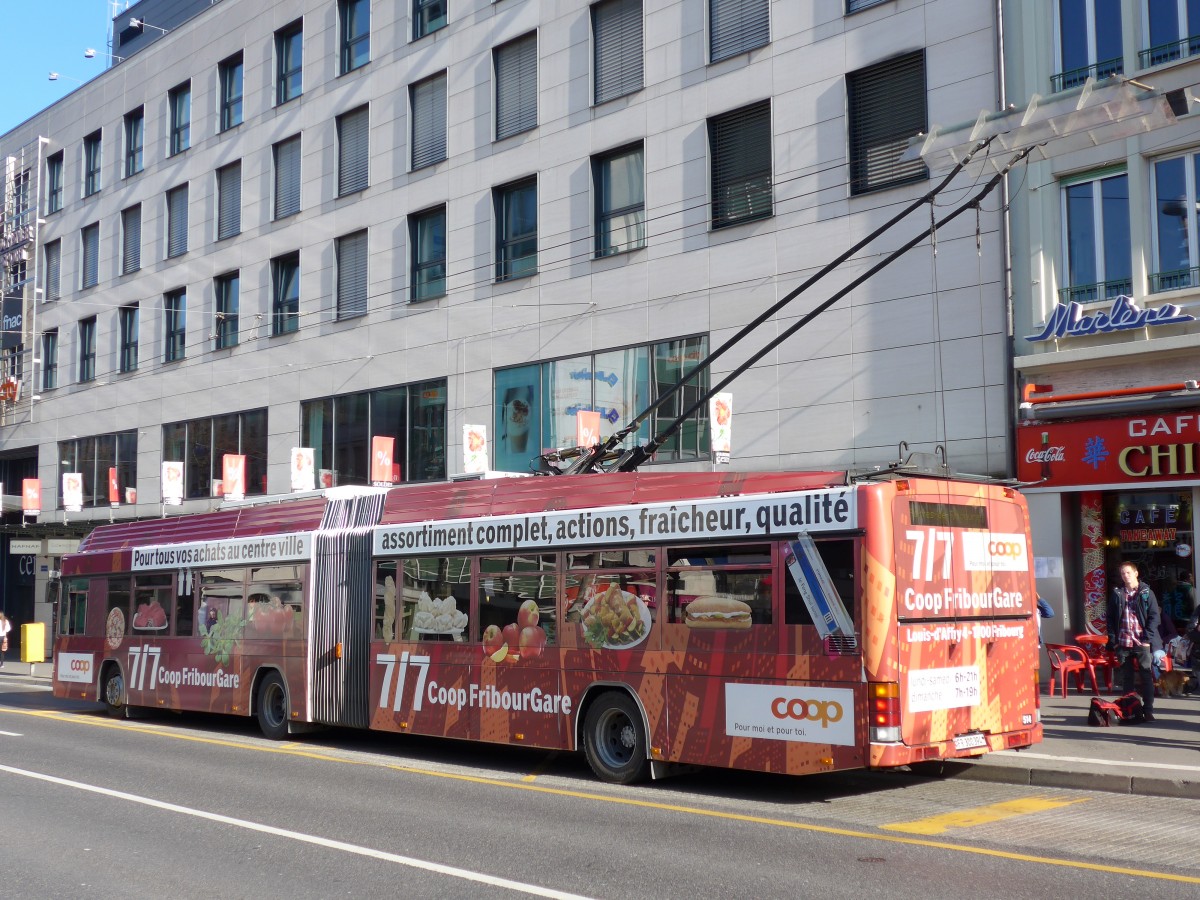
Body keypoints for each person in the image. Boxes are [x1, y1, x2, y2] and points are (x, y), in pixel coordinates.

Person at [1106, 561, 1163, 722]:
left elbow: (1154, 617)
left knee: (1146, 676)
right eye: (1123, 573)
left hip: (1140, 642)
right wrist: (1114, 640)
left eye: (1128, 573)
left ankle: (1148, 710)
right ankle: (1130, 709)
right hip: (1123, 642)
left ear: (1136, 573)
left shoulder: (1146, 592)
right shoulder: (1117, 594)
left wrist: (1146, 639)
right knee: (1127, 678)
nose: (1125, 576)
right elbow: (1110, 618)